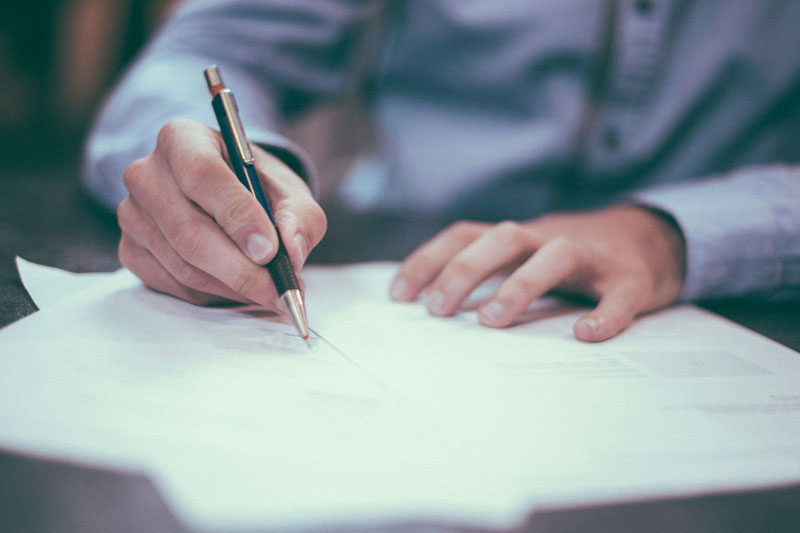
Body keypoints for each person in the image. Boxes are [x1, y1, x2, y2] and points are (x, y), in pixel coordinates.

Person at [83, 1, 800, 342]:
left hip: (738, 304)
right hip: (406, 277)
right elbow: (207, 50)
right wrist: (199, 173)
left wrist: (672, 234)